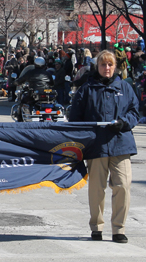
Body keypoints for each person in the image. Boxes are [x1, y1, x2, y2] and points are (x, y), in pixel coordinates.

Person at [69, 50, 139, 244]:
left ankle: (119, 229)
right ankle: (96, 227)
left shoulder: (125, 87)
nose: (106, 68)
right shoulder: (87, 89)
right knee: (96, 189)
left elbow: (134, 111)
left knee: (123, 186)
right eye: (103, 65)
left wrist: (124, 123)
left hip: (121, 144)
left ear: (115, 66)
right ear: (97, 66)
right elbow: (75, 118)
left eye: (110, 65)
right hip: (96, 146)